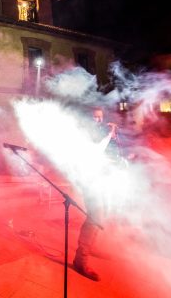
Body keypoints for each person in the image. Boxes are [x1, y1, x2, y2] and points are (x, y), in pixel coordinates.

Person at [73, 107, 118, 281]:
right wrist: (109, 134)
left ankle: (90, 247)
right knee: (95, 217)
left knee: (102, 214)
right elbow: (94, 151)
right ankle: (80, 260)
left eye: (100, 117)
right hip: (88, 180)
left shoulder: (98, 132)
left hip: (98, 178)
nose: (98, 121)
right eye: (94, 117)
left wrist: (112, 136)